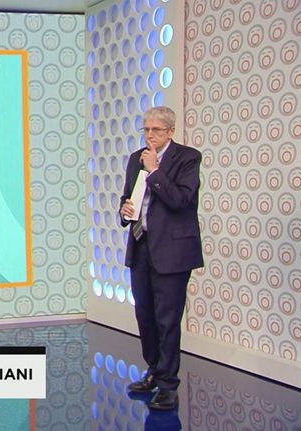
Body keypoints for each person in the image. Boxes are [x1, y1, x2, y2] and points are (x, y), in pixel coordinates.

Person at [119, 106, 203, 410]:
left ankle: (168, 385)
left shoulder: (188, 158)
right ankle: (154, 371)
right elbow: (127, 196)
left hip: (172, 252)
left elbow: (180, 200)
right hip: (141, 247)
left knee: (167, 320)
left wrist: (155, 171)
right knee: (145, 316)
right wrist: (124, 211)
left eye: (156, 130)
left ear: (170, 131)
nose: (150, 135)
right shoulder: (136, 159)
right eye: (146, 130)